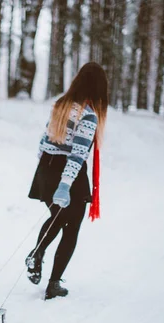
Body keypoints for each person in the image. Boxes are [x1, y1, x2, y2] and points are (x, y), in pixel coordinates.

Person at [26, 62, 108, 300]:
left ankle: (38, 252)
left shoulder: (60, 105)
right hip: (67, 174)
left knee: (57, 218)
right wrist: (64, 185)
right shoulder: (88, 115)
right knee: (71, 229)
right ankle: (53, 284)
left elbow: (43, 142)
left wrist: (44, 175)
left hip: (46, 169)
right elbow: (78, 154)